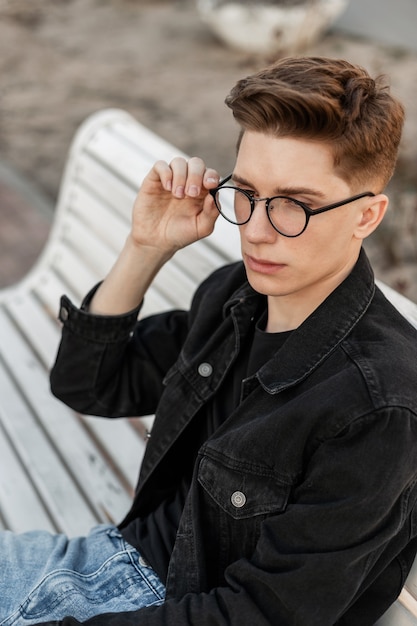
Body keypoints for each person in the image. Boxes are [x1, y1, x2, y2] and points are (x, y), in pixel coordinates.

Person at [2, 56, 416, 626]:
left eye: (296, 204)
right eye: (245, 193)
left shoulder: (378, 404)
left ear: (367, 216)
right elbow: (87, 385)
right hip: (106, 564)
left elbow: (264, 615)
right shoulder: (235, 297)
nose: (257, 229)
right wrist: (146, 246)